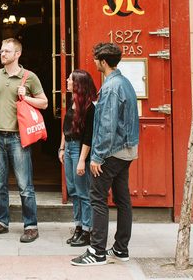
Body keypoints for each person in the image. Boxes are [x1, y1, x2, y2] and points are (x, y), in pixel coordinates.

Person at [71, 42, 139, 267]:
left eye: (96, 59)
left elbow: (108, 127)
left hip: (111, 153)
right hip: (127, 152)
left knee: (97, 199)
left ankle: (97, 251)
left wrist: (97, 157)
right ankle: (121, 248)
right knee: (123, 200)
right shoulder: (125, 82)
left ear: (102, 61)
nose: (94, 63)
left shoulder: (110, 87)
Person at [0, 38, 47, 243]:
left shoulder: (29, 77)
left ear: (18, 54)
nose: (2, 54)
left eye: (7, 51)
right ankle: (1, 222)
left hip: (18, 137)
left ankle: (31, 226)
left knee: (25, 185)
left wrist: (26, 98)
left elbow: (44, 103)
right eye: (1, 51)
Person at [59, 69, 96, 248]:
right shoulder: (73, 102)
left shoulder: (89, 108)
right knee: (73, 190)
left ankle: (87, 230)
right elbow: (66, 128)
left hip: (79, 150)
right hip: (68, 149)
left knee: (83, 192)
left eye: (70, 79)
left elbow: (88, 137)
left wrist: (82, 160)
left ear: (78, 84)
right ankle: (78, 227)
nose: (67, 81)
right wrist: (61, 147)